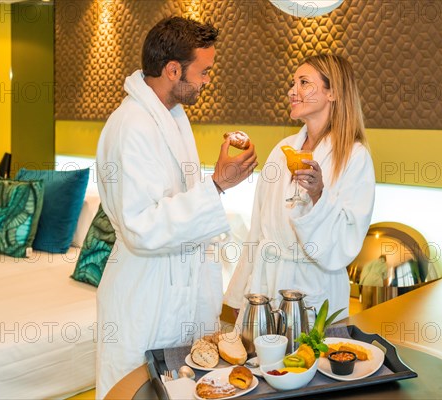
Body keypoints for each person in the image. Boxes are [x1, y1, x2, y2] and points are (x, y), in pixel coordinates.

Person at [94, 16, 257, 398]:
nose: (207, 80)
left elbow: (173, 203)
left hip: (176, 293)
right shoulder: (131, 127)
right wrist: (216, 185)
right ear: (172, 69)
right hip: (145, 299)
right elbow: (141, 227)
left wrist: (217, 185)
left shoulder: (171, 118)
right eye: (204, 72)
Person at [224, 54, 375, 323]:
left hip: (315, 292)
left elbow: (348, 238)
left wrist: (319, 194)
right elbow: (257, 230)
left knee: (310, 362)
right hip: (265, 289)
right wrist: (239, 294)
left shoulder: (354, 157)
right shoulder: (282, 152)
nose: (292, 91)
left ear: (333, 93)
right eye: (293, 83)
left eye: (304, 83)